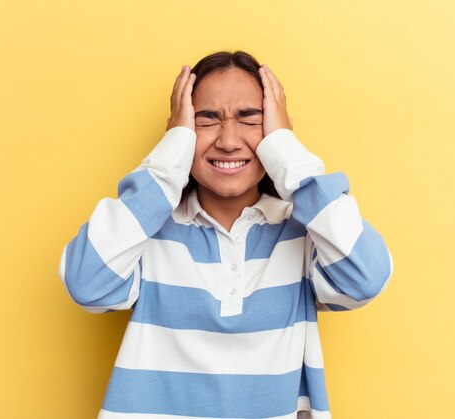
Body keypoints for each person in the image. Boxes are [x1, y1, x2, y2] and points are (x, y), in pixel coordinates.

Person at [58, 50, 394, 419]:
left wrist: (286, 150)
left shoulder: (306, 232)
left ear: (277, 131)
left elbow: (366, 278)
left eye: (251, 119)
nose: (229, 141)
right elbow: (86, 284)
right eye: (206, 120)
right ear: (181, 132)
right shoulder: (144, 230)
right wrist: (170, 155)